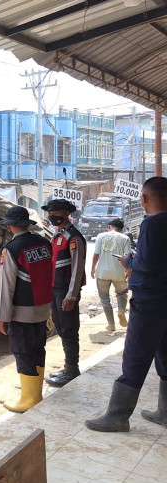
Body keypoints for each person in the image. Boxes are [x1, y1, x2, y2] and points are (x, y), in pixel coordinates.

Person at [86, 177, 167, 432]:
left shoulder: (152, 223)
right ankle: (165, 412)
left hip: (150, 300)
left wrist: (129, 261)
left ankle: (117, 416)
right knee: (164, 354)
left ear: (144, 198)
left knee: (135, 356)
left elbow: (146, 263)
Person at [0, 206, 53, 412]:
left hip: (22, 312)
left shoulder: (11, 249)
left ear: (10, 226)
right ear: (27, 224)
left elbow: (6, 286)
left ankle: (29, 399)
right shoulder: (44, 243)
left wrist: (2, 317)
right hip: (42, 309)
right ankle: (36, 393)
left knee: (23, 352)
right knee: (38, 349)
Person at [42, 198, 86, 388]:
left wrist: (72, 296)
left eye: (56, 214)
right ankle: (68, 366)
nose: (52, 217)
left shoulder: (73, 237)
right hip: (55, 289)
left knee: (69, 329)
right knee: (60, 328)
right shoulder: (57, 236)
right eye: (50, 214)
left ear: (66, 214)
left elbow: (77, 269)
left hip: (66, 291)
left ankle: (72, 369)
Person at [91, 218, 131, 332]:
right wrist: (129, 270)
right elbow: (127, 256)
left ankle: (111, 325)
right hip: (119, 272)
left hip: (102, 272)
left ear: (109, 227)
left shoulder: (100, 236)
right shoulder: (125, 238)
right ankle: (121, 311)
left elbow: (96, 254)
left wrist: (93, 268)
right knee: (122, 293)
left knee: (104, 298)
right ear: (121, 229)